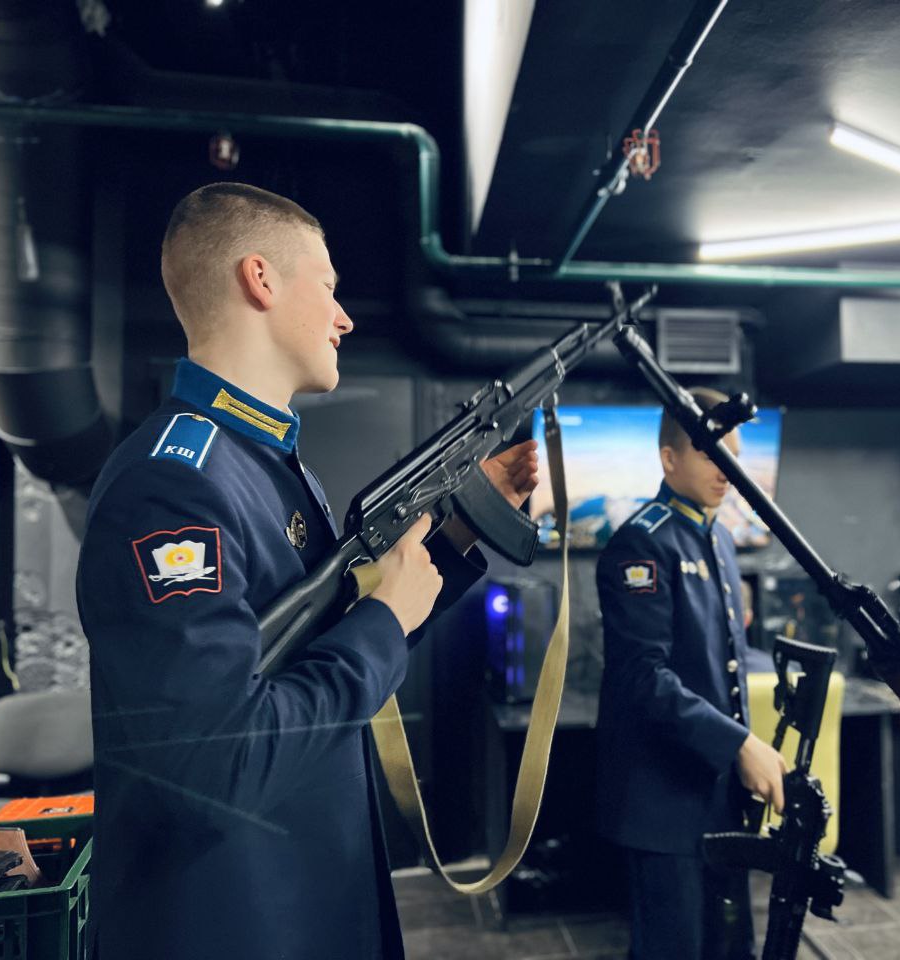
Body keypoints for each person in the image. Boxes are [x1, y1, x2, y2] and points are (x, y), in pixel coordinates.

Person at [77, 182, 538, 960]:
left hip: (299, 901)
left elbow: (317, 658)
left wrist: (461, 528)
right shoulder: (172, 483)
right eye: (326, 285)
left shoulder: (265, 464)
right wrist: (383, 620)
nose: (343, 316)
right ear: (260, 279)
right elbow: (216, 766)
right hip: (237, 923)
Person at [594, 387, 786, 960]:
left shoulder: (718, 535)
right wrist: (740, 745)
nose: (728, 469)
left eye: (735, 454)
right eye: (711, 453)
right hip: (664, 802)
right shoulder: (642, 541)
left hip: (716, 792)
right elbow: (643, 677)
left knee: (728, 946)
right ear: (669, 458)